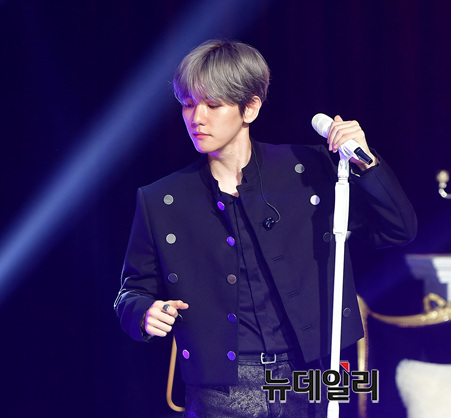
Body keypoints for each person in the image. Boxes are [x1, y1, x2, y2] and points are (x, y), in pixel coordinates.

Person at [114, 39, 417, 417]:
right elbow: (132, 291)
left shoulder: (308, 171)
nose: (197, 118)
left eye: (213, 105)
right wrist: (145, 312)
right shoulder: (163, 199)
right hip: (221, 388)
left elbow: (398, 229)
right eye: (189, 104)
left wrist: (367, 164)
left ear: (251, 107)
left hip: (309, 374)